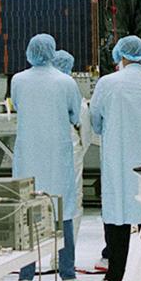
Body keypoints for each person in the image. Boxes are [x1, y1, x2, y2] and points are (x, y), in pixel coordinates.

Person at [89, 35, 141, 281]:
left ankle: (115, 275)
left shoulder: (108, 83)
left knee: (117, 213)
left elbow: (95, 120)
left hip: (118, 157)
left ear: (120, 55)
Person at [11, 34, 84, 281]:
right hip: (58, 154)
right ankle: (68, 274)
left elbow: (18, 106)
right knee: (63, 211)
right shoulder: (65, 82)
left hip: (29, 153)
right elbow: (75, 113)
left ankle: (25, 275)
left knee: (29, 211)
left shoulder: (18, 80)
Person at [51, 49, 92, 238]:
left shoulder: (31, 85)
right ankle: (65, 252)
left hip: (42, 153)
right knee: (72, 200)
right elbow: (83, 124)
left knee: (44, 200)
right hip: (70, 149)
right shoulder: (70, 86)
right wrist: (78, 151)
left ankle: (44, 253)